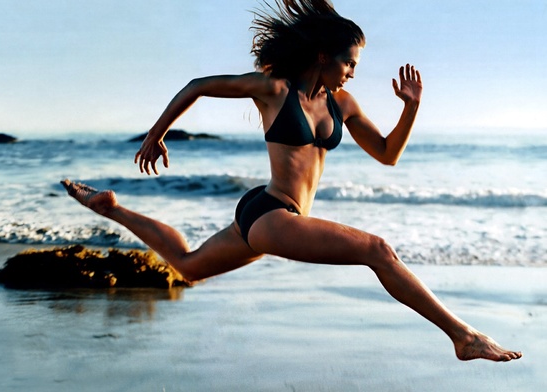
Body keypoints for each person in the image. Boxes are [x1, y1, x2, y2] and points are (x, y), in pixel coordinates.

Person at [61, 0, 522, 362]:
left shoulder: (343, 103)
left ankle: (111, 207)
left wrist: (410, 108)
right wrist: (155, 135)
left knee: (188, 265)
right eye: (349, 62)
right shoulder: (274, 90)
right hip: (272, 212)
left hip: (266, 212)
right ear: (323, 56)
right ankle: (464, 336)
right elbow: (197, 85)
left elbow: (387, 155)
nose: (353, 71)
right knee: (378, 251)